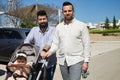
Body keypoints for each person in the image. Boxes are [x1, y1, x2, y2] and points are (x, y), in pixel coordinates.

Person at [45, 1, 91, 80]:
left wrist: (86, 61)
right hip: (62, 61)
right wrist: (50, 51)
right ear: (62, 12)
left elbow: (87, 45)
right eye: (65, 11)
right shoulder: (59, 27)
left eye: (69, 11)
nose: (67, 13)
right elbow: (55, 43)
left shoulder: (81, 26)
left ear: (73, 11)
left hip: (76, 60)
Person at [24, 10, 57, 80]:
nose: (42, 21)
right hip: (36, 61)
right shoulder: (34, 30)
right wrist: (29, 49)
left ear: (47, 19)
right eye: (40, 19)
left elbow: (50, 42)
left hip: (49, 62)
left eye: (44, 19)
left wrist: (44, 50)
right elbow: (27, 41)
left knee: (48, 78)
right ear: (37, 21)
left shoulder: (53, 30)